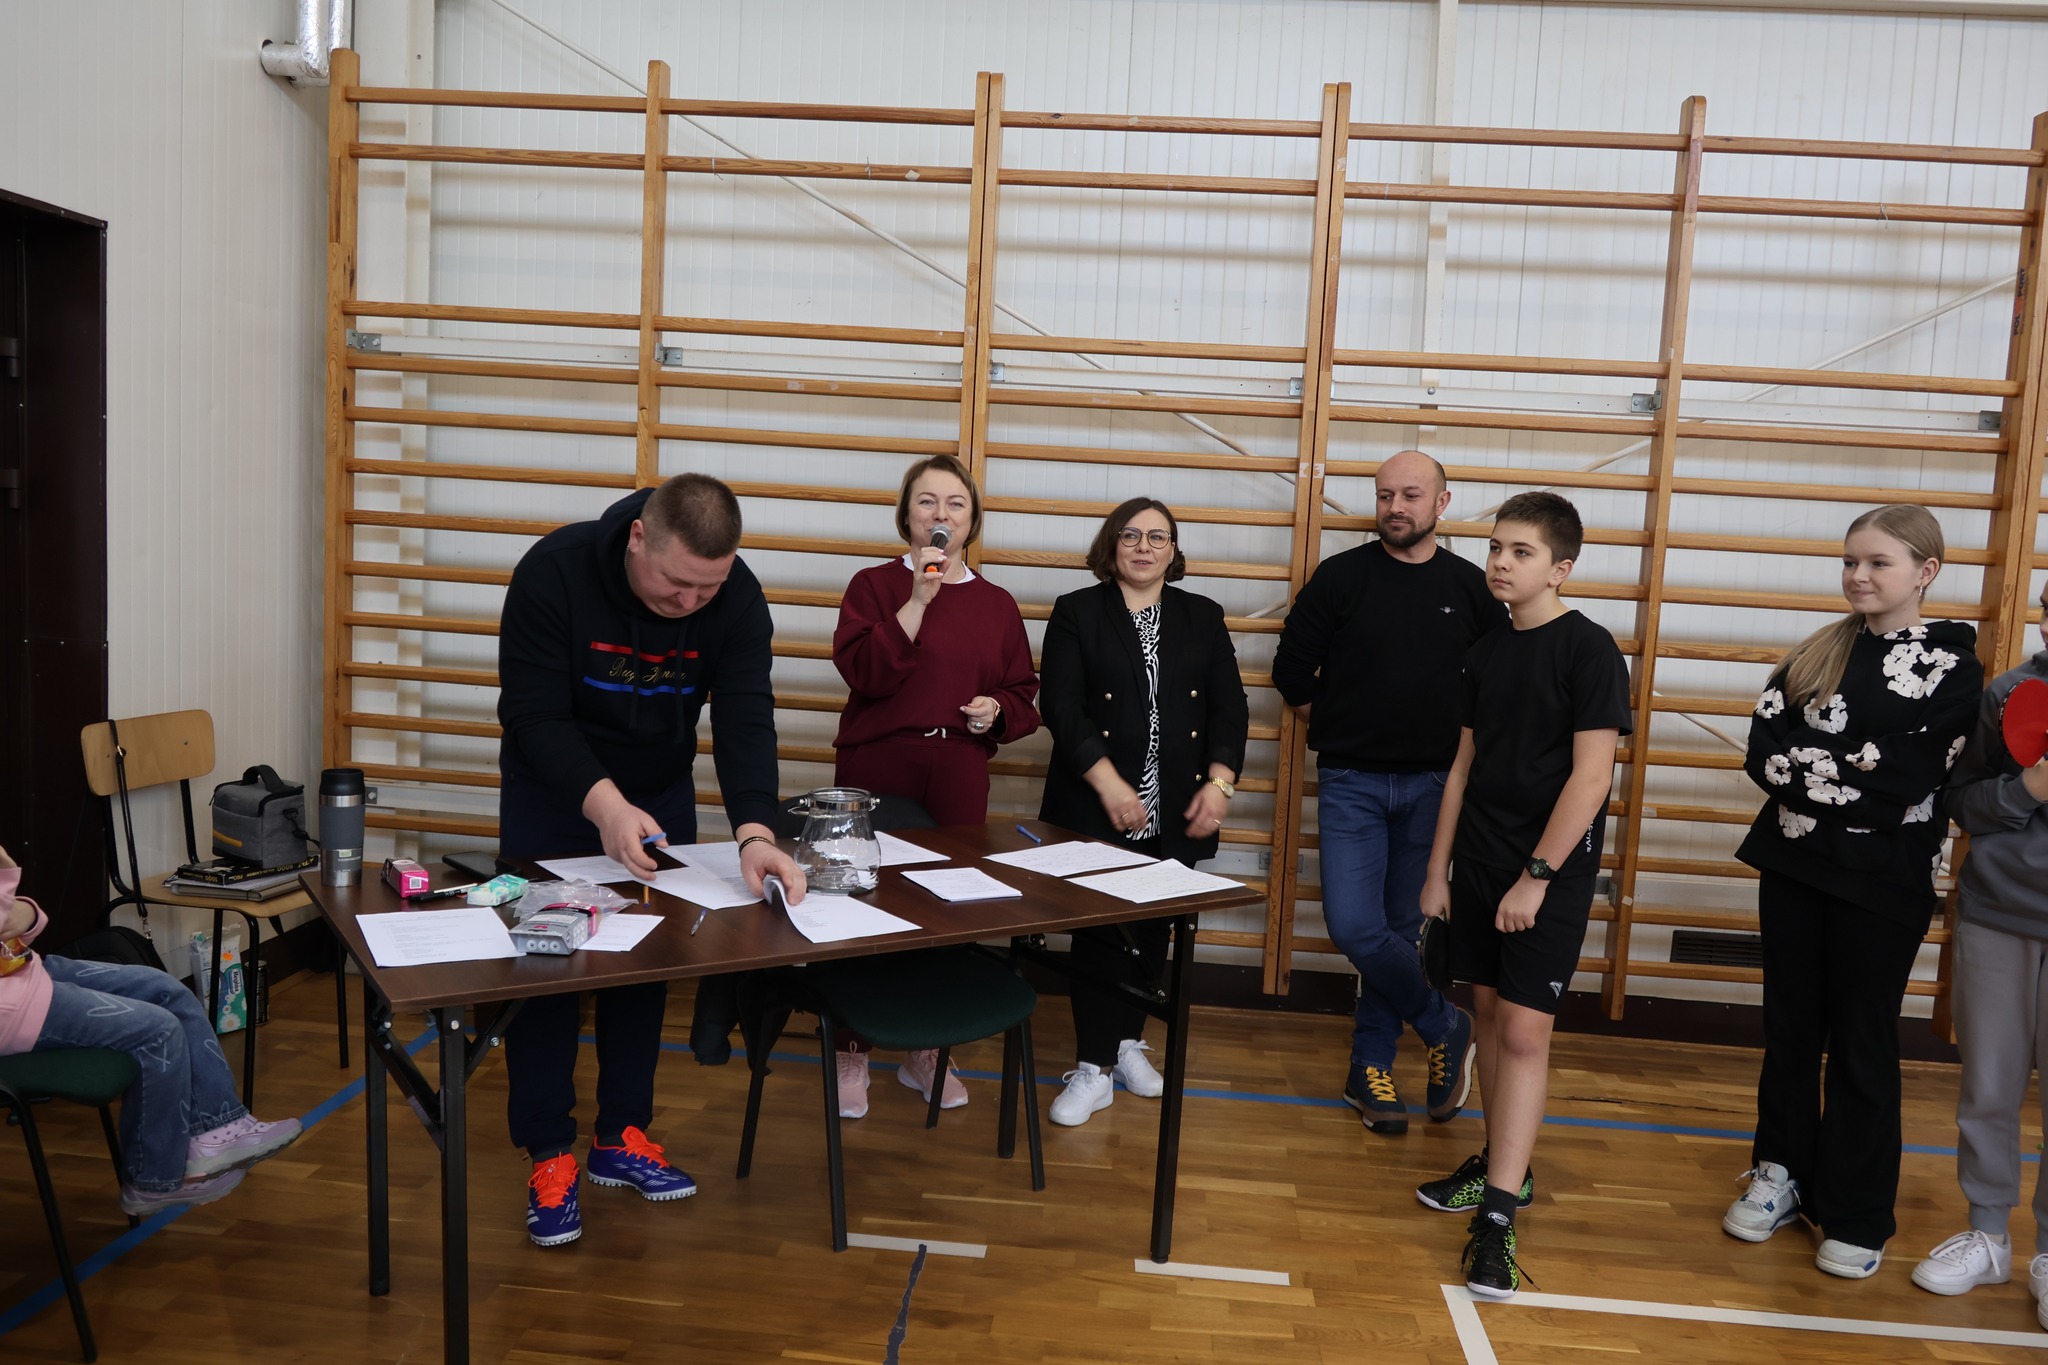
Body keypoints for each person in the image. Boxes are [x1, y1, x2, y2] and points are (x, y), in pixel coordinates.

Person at [497, 472, 808, 1249]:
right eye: (676, 583)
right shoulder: (554, 572)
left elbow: (745, 717)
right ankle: (548, 1153)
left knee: (645, 964)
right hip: (555, 793)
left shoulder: (737, 597)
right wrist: (603, 805)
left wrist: (756, 833)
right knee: (546, 972)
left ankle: (621, 1135)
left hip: (659, 791)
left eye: (708, 587)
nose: (690, 602)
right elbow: (533, 714)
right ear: (639, 536)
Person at [1723, 503, 1980, 1280]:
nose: (1859, 576)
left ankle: (1859, 1209)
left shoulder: (1953, 669)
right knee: (1791, 1028)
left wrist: (1825, 764)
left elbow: (1910, 774)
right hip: (1794, 866)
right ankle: (1779, 1171)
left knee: (1863, 1040)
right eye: (1850, 561)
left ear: (1925, 572)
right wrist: (1855, 770)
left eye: (1877, 563)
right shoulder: (1815, 653)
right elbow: (1765, 753)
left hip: (1884, 880)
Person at [1416, 491, 1631, 1299]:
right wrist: (1438, 871)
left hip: (1546, 876)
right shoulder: (1486, 649)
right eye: (1496, 547)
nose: (1500, 562)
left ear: (1560, 568)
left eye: (1520, 551)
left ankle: (1498, 1219)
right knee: (1486, 1014)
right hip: (1475, 865)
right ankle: (1503, 1164)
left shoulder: (1589, 649)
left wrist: (1535, 877)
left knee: (1524, 1034)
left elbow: (1592, 777)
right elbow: (1462, 768)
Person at [1273, 450, 1501, 1135]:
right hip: (1352, 783)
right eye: (1384, 495)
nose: (1395, 507)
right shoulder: (1341, 578)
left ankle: (1368, 1067)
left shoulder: (1471, 588)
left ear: (1442, 502)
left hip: (1437, 787)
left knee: (1401, 933)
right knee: (1354, 926)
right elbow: (1292, 671)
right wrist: (1347, 726)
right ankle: (1442, 1023)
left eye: (1410, 495)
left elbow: (1494, 692)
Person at [829, 454, 1041, 1117]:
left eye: (955, 503)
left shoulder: (997, 603)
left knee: (946, 909)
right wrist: (919, 600)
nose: (940, 514)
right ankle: (852, 1046)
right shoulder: (873, 585)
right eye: (927, 501)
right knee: (864, 901)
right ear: (906, 515)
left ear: (971, 519)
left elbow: (1024, 693)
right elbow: (866, 673)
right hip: (879, 761)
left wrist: (996, 709)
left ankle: (927, 1049)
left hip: (958, 767)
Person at [1037, 499, 1249, 1126]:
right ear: (1111, 544)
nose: (1144, 547)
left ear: (1173, 550)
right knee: (1100, 932)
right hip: (1096, 800)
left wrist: (1221, 784)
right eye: (1131, 535)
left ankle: (1127, 1042)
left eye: (1159, 537)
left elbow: (1230, 709)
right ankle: (1093, 1068)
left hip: (1176, 803)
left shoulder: (1202, 615)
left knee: (1154, 927)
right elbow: (1062, 708)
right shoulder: (1077, 611)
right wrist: (1109, 785)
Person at [0, 845, 301, 1215]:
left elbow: (11, 920)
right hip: (10, 1005)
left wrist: (27, 912)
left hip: (24, 972)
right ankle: (152, 1180)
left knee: (165, 989)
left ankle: (217, 1129)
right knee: (158, 1031)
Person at [1912, 578, 2048, 1307]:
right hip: (2000, 915)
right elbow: (1961, 799)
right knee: (1989, 1087)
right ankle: (1988, 1235)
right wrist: (2028, 790)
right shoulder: (2009, 694)